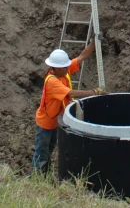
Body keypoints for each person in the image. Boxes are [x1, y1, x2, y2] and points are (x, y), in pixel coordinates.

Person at [31, 41, 103, 174]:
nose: (67, 68)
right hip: (45, 123)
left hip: (54, 121)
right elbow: (71, 94)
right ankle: (34, 178)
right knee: (41, 153)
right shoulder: (52, 81)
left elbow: (82, 57)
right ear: (55, 68)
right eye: (64, 67)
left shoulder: (63, 71)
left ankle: (43, 175)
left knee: (50, 149)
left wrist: (94, 42)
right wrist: (94, 92)